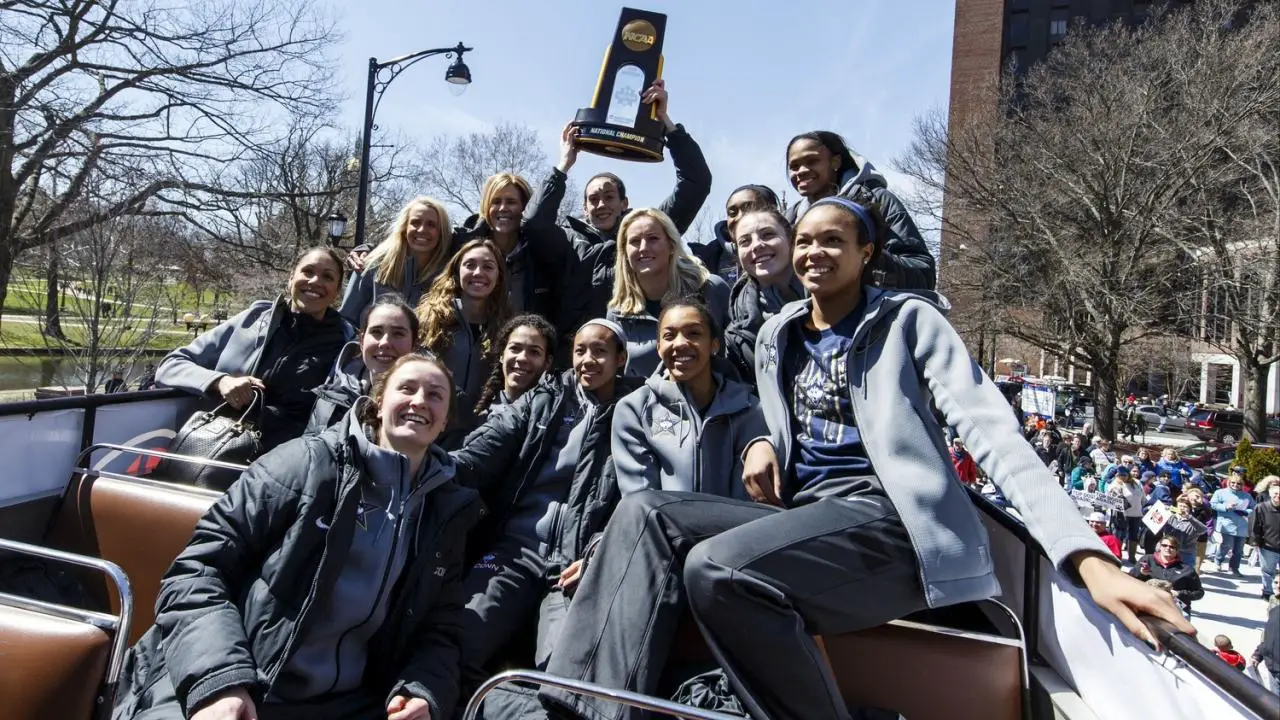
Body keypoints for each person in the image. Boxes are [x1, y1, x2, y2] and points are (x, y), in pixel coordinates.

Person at [537, 195, 1190, 720]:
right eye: (807, 239)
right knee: (647, 511)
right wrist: (764, 438)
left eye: (834, 240)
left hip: (895, 527)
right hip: (807, 520)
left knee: (718, 570)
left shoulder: (910, 322)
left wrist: (1087, 559)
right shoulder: (777, 335)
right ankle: (580, 709)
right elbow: (779, 414)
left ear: (866, 253)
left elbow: (993, 433)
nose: (815, 250)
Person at [111, 353, 481, 720]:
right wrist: (221, 682)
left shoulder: (444, 512)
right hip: (239, 678)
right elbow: (195, 571)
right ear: (379, 404)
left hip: (347, 702)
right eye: (407, 388)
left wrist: (422, 691)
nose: (419, 401)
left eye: (435, 395)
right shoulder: (303, 464)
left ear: (445, 420)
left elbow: (440, 628)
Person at [448, 319, 636, 689]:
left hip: (576, 568)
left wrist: (600, 551)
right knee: (458, 638)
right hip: (509, 554)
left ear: (621, 359)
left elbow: (638, 497)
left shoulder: (636, 409)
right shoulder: (545, 399)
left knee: (566, 677)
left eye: (600, 351)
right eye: (580, 351)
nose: (588, 360)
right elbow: (481, 453)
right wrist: (421, 465)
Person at [528, 79, 712, 321]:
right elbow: (534, 223)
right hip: (578, 352)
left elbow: (696, 182)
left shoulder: (647, 233)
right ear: (584, 207)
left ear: (624, 203)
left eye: (609, 196)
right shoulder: (569, 241)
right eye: (593, 199)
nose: (601, 204)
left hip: (635, 346)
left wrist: (666, 122)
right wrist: (563, 166)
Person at [156, 247, 352, 453]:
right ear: (291, 276)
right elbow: (170, 365)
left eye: (327, 277)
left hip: (293, 463)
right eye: (308, 272)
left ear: (337, 292)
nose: (315, 281)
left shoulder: (348, 344)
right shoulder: (252, 320)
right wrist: (220, 381)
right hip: (221, 449)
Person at [611, 299, 768, 500]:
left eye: (694, 333)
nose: (680, 343)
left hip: (733, 527)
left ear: (714, 345)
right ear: (658, 348)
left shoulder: (748, 408)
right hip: (662, 527)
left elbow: (749, 501)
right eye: (669, 336)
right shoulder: (634, 410)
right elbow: (641, 500)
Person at [783, 130, 935, 290]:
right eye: (794, 166)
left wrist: (864, 254)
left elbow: (924, 274)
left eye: (812, 161)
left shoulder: (878, 201)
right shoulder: (789, 220)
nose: (801, 171)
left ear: (835, 162)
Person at [606, 208, 730, 377]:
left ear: (671, 245)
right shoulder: (617, 312)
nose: (643, 248)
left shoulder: (710, 288)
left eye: (653, 239)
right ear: (625, 252)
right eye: (634, 241)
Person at [418, 239, 513, 448]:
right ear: (456, 271)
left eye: (488, 266)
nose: (478, 272)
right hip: (428, 427)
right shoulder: (429, 318)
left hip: (478, 437)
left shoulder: (508, 328)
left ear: (499, 277)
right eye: (470, 265)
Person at [305, 294, 419, 434]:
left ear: (414, 345)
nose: (384, 343)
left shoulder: (430, 404)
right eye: (376, 332)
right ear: (362, 340)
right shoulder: (334, 392)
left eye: (398, 334)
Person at [722, 202, 806, 381]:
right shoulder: (737, 335)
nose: (757, 245)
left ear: (792, 240)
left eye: (768, 235)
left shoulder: (834, 296)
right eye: (745, 241)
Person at [339, 197, 452, 325]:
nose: (422, 229)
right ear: (404, 228)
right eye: (415, 222)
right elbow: (346, 320)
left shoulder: (448, 276)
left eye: (431, 225)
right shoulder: (371, 264)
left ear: (442, 232)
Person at [690, 185, 782, 284]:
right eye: (733, 213)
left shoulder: (795, 248)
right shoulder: (705, 260)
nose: (739, 217)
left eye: (749, 208)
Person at [473, 314, 558, 418]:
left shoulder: (554, 417)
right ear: (502, 354)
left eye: (534, 352)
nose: (522, 358)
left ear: (548, 362)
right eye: (515, 348)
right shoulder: (480, 418)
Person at [1129, 538, 1204, 616]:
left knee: (1183, 622)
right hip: (1148, 603)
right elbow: (1129, 580)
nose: (1168, 548)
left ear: (1177, 550)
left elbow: (1199, 592)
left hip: (1176, 606)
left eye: (1172, 547)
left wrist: (1179, 593)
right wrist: (1141, 573)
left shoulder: (1187, 569)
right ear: (1159, 547)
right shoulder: (1147, 559)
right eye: (1164, 545)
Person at [1211, 471, 1255, 575]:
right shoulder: (1220, 493)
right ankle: (1218, 560)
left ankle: (1234, 567)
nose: (1235, 485)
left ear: (1242, 485)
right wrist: (1226, 507)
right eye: (1233, 483)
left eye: (1238, 483)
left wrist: (1246, 512)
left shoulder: (1247, 496)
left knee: (1239, 550)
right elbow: (1213, 504)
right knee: (1226, 545)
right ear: (1228, 483)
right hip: (1226, 524)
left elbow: (1253, 507)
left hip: (1242, 525)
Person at [1250, 477, 1280, 601]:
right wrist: (1255, 542)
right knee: (1268, 571)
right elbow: (1254, 526)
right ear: (1270, 494)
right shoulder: (1261, 508)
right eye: (1276, 494)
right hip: (1268, 545)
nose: (1278, 496)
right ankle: (1267, 592)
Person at [1108, 469, 1146, 562]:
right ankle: (1117, 555)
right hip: (1122, 514)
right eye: (1120, 475)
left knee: (1133, 535)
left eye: (1125, 475)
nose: (1123, 477)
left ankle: (1132, 557)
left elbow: (1143, 497)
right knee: (1119, 535)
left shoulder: (1137, 483)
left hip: (1136, 513)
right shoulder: (1114, 484)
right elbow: (1109, 498)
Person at [1251, 601, 1280, 695]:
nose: (1278, 586)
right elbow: (1270, 638)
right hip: (1273, 671)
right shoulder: (1275, 611)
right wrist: (1258, 654)